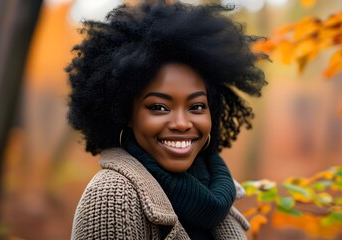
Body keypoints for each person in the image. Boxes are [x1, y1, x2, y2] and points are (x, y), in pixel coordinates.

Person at [66, 1, 268, 239]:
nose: (182, 123)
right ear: (126, 114)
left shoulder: (219, 196)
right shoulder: (112, 195)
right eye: (159, 107)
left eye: (196, 106)